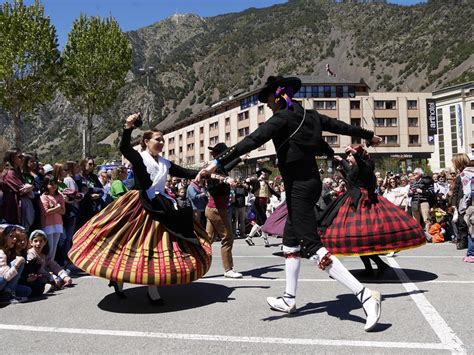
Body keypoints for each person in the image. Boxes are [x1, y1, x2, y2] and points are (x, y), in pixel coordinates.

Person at [197, 75, 384, 331]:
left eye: (268, 100)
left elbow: (251, 141)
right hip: (311, 183)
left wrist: (217, 163)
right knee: (290, 243)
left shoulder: (282, 118)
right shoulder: (313, 116)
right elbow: (342, 127)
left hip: (298, 187)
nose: (267, 105)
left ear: (278, 95)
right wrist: (369, 136)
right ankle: (289, 298)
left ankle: (364, 296)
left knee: (312, 245)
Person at [68, 113, 212, 304]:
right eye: (157, 139)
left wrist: (205, 172)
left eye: (163, 140)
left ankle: (151, 288)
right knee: (128, 243)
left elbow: (186, 172)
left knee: (154, 245)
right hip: (138, 205)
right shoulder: (139, 158)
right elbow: (125, 147)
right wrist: (128, 128)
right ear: (146, 141)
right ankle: (120, 279)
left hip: (161, 206)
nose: (161, 142)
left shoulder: (165, 163)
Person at [320, 145, 426, 278]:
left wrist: (356, 155)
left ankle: (378, 266)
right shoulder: (356, 167)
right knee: (359, 240)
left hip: (364, 202)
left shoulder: (367, 165)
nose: (348, 158)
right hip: (354, 200)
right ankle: (373, 267)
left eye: (350, 155)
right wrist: (341, 160)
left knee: (361, 238)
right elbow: (352, 174)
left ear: (357, 156)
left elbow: (363, 169)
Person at [205, 143, 243, 278]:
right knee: (227, 238)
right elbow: (212, 176)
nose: (212, 154)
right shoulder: (213, 169)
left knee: (207, 239)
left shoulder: (219, 167)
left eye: (214, 152)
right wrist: (225, 179)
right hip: (216, 210)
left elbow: (227, 167)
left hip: (212, 209)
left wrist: (240, 158)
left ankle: (193, 263)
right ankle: (228, 270)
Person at [0, 224, 31, 303]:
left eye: (15, 237)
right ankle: (7, 295)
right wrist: (17, 264)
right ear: (4, 237)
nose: (14, 239)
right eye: (11, 236)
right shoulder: (1, 253)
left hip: (6, 284)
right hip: (2, 281)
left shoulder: (9, 251)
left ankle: (7, 294)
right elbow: (6, 277)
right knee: (20, 261)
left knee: (27, 291)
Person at [39, 176, 65, 261]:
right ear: (46, 185)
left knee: (54, 247)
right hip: (48, 224)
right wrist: (57, 208)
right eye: (50, 184)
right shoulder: (44, 196)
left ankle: (51, 264)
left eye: (55, 183)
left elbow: (63, 211)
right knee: (49, 247)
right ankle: (45, 266)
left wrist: (54, 208)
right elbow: (46, 212)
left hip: (58, 223)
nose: (53, 185)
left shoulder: (60, 196)